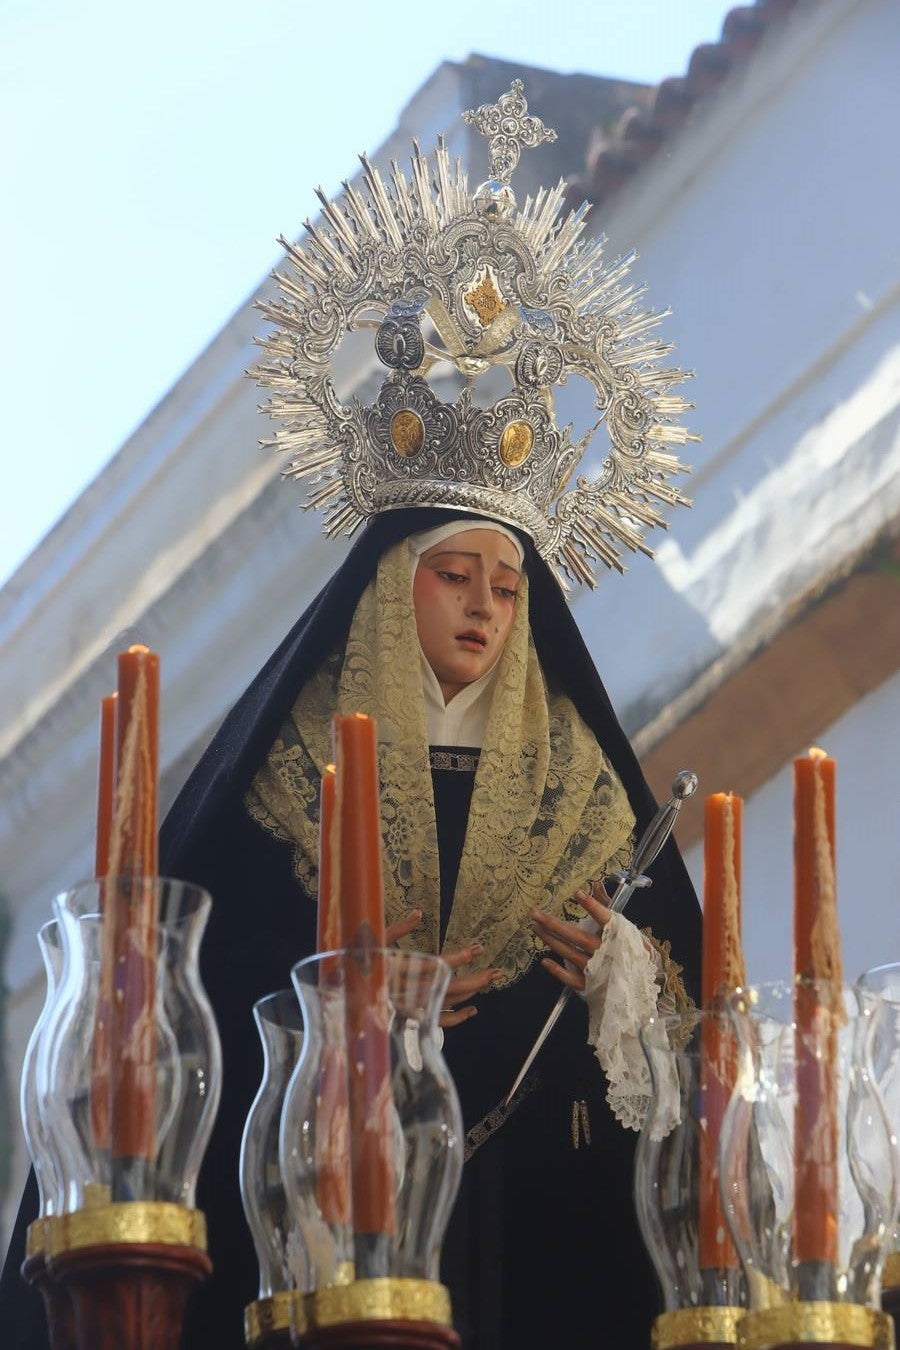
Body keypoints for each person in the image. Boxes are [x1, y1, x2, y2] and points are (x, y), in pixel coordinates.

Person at [0, 80, 703, 1349]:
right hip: (314, 1262)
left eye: (508, 586)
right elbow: (174, 1053)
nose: (487, 610)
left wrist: (630, 987)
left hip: (545, 1265)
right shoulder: (284, 783)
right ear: (388, 593)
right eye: (453, 576)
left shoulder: (593, 804)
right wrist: (340, 1015)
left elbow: (703, 1084)